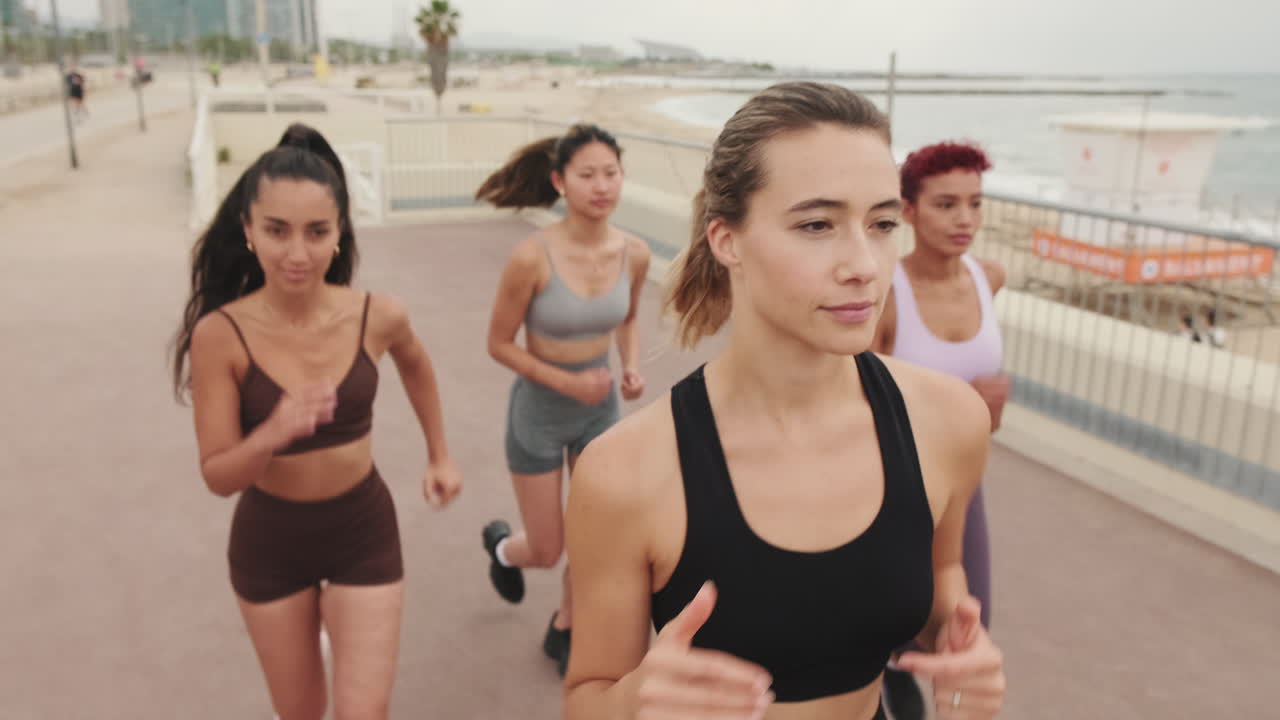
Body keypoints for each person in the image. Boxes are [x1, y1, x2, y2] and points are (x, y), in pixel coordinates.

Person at [562, 82, 1006, 720]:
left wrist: (962, 651)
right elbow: (587, 697)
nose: (864, 265)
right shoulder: (625, 472)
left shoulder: (949, 420)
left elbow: (942, 585)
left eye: (882, 223)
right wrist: (636, 699)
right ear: (727, 241)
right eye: (817, 224)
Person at [170, 123, 462, 720]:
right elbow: (219, 476)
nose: (297, 253)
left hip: (363, 530)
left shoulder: (377, 315)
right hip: (270, 544)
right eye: (277, 231)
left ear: (339, 235)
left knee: (364, 712)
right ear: (248, 231)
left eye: (316, 232)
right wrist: (272, 432)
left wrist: (440, 453)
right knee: (301, 712)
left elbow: (417, 367)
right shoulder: (219, 336)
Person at [474, 123, 651, 676]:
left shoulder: (636, 254)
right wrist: (565, 381)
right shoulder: (532, 258)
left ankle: (564, 626)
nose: (602, 186)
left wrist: (631, 367)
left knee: (595, 536)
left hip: (600, 410)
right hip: (539, 413)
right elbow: (498, 344)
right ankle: (504, 549)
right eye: (587, 175)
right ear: (559, 181)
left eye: (611, 173)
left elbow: (628, 317)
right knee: (548, 548)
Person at [870, 141, 1007, 720]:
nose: (965, 220)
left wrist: (990, 409)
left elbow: (984, 411)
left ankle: (910, 682)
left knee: (970, 613)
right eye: (946, 204)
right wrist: (958, 407)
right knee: (888, 611)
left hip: (963, 484)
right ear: (908, 210)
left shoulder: (990, 278)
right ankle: (883, 678)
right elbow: (857, 402)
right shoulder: (885, 294)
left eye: (975, 204)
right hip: (892, 486)